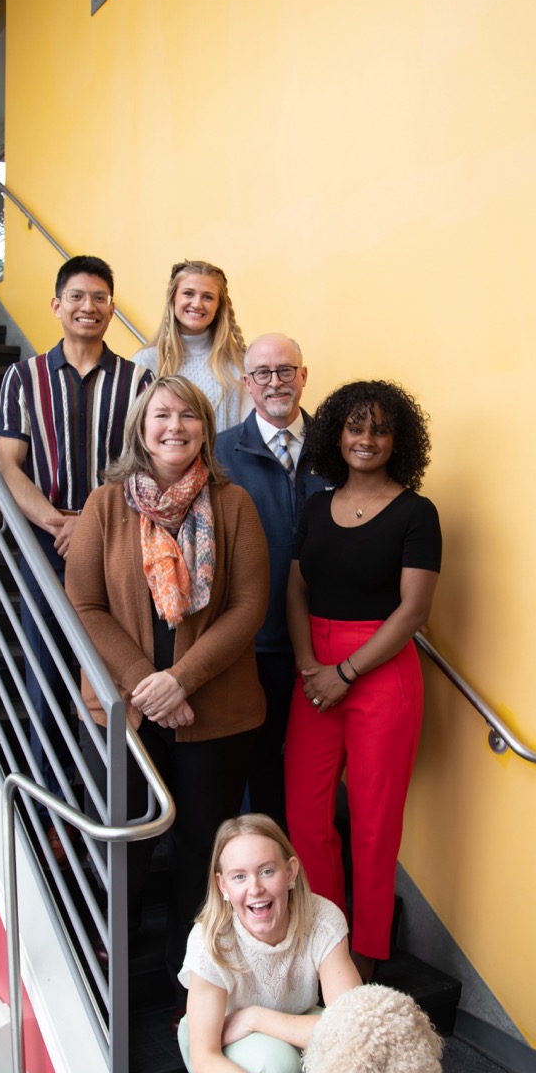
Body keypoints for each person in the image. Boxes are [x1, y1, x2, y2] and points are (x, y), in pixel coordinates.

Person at [64, 375, 269, 999]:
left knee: (202, 854)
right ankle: (111, 971)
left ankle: (198, 984)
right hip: (125, 713)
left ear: (205, 428)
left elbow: (248, 606)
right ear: (140, 427)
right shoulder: (105, 505)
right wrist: (143, 685)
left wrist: (181, 679)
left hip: (217, 712)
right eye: (161, 414)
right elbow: (85, 604)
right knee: (123, 842)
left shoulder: (234, 504)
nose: (174, 425)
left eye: (188, 414)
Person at [285, 381, 441, 984]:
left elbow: (413, 612)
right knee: (305, 815)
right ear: (336, 435)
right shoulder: (315, 506)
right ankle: (330, 938)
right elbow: (297, 589)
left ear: (397, 439)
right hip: (314, 668)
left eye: (379, 429)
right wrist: (309, 664)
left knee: (376, 824)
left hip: (380, 668)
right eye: (355, 427)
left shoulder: (415, 512)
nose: (366, 439)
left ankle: (370, 950)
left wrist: (345, 672)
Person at [0, 256, 151, 808]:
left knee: (117, 672)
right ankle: (51, 809)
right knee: (47, 671)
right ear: (57, 305)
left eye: (101, 298)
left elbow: (147, 463)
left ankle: (113, 803)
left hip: (118, 542)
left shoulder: (139, 381)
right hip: (48, 543)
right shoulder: (24, 377)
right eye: (78, 297)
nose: (89, 307)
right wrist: (60, 522)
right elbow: (8, 464)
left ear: (112, 307)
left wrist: (92, 521)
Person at [178, 814, 361, 1073]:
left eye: (267, 871)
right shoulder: (211, 938)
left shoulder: (323, 919)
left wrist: (258, 1017)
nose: (255, 888)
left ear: (291, 872)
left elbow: (354, 1026)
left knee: (326, 1055)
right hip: (220, 1036)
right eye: (239, 876)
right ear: (222, 886)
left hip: (280, 1019)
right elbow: (203, 1056)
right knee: (277, 1064)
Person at [216, 333, 331, 825]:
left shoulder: (338, 448)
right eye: (262, 373)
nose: (275, 382)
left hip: (325, 644)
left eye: (286, 370)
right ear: (247, 383)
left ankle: (305, 868)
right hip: (252, 644)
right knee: (255, 769)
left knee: (315, 772)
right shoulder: (219, 453)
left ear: (304, 376)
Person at [132, 260, 248, 432]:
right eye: (188, 293)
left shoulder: (239, 363)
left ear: (219, 306)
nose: (197, 304)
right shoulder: (146, 361)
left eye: (208, 297)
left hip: (225, 459)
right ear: (173, 299)